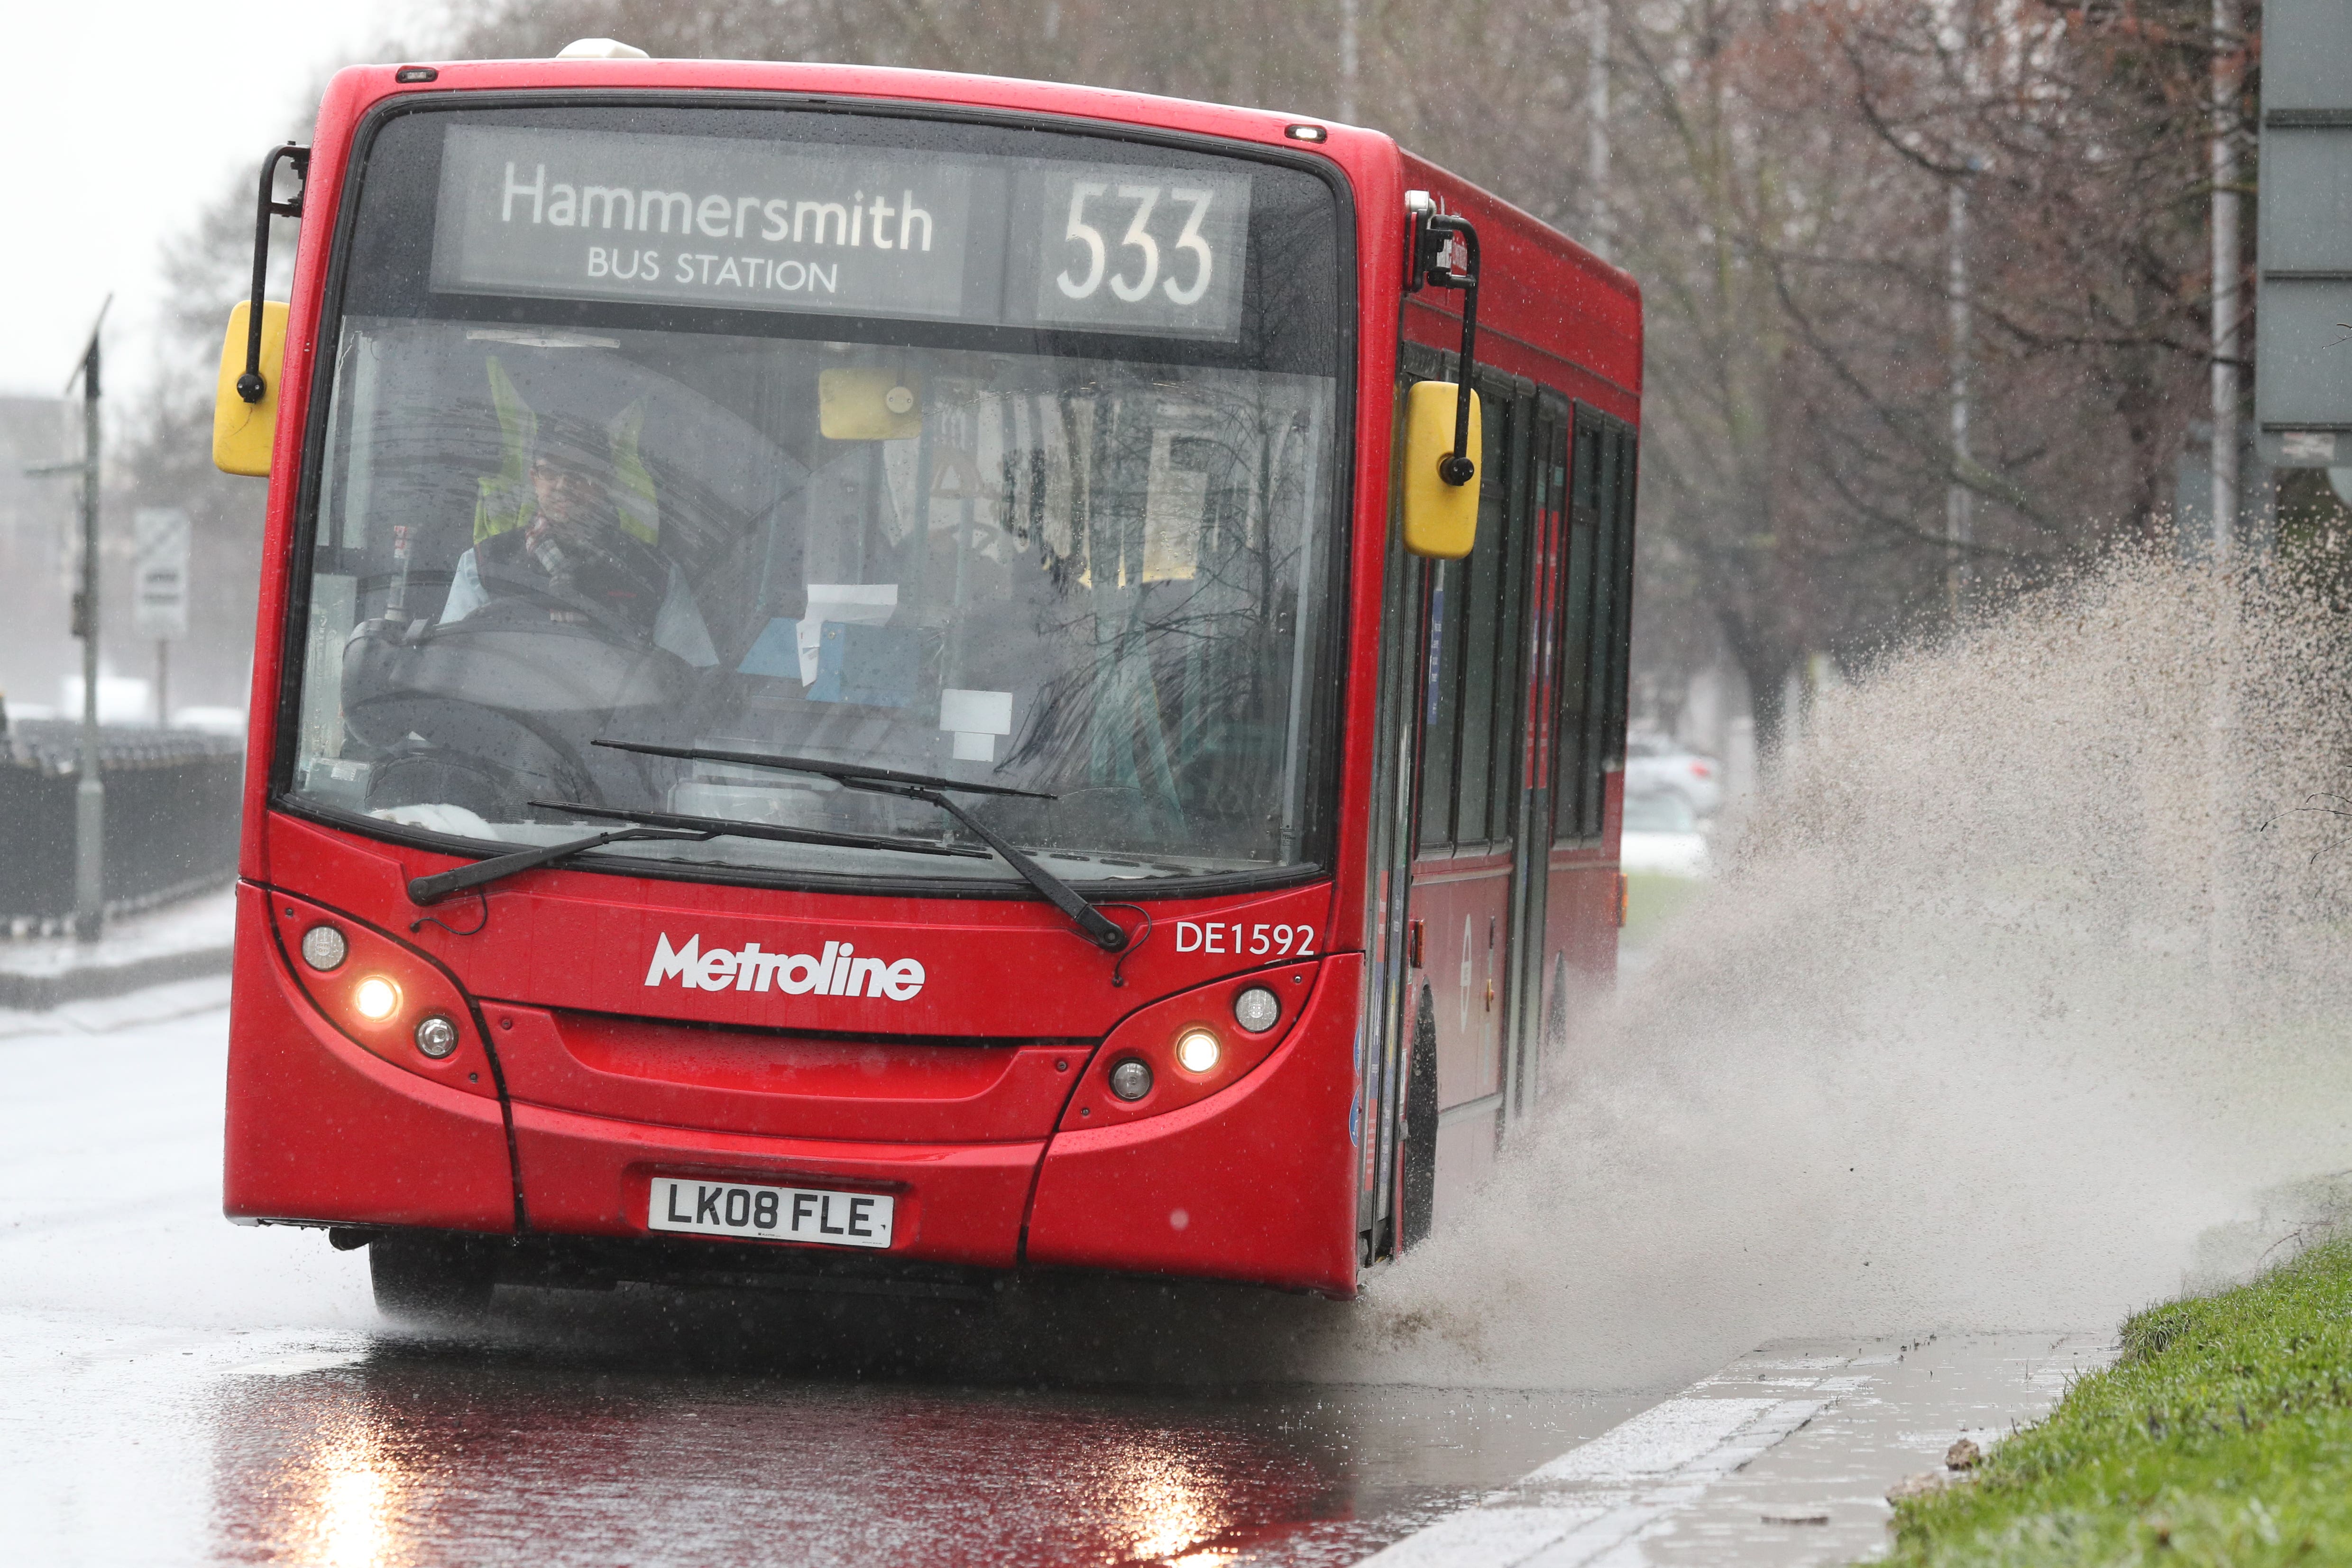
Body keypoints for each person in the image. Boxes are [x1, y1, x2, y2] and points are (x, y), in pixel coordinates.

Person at [439, 411, 717, 666]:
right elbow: (450, 666)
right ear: (534, 479)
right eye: (551, 471)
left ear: (605, 483)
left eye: (580, 474)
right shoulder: (482, 565)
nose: (563, 486)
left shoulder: (655, 574)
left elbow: (690, 682)